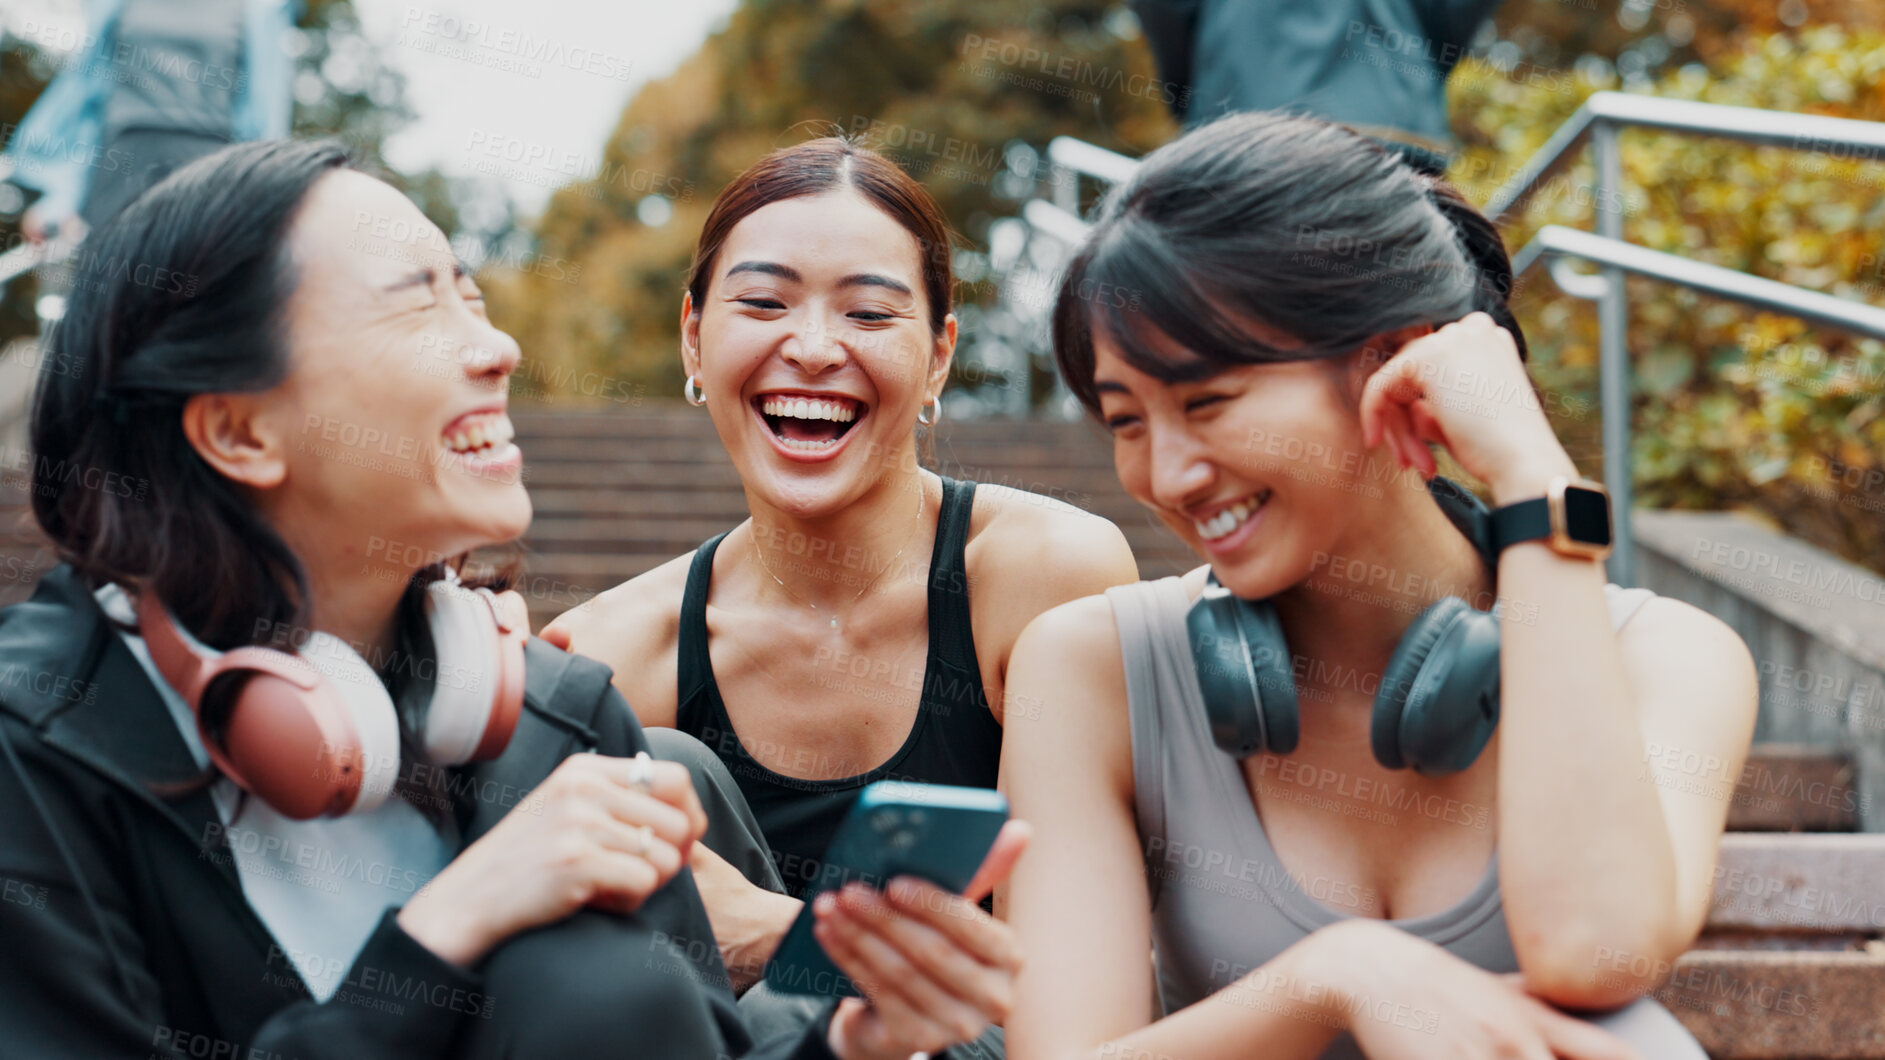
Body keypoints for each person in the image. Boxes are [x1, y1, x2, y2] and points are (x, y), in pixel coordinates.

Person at [0, 138, 1026, 1060]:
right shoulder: (36, 751)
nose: (498, 351)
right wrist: (444, 935)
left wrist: (844, 1043)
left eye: (472, 297)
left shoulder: (555, 722)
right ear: (238, 431)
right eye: (417, 305)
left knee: (594, 980)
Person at [1001, 111, 1757, 1059]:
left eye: (1207, 401)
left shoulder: (1667, 655)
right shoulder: (1091, 668)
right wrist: (1339, 979)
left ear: (1391, 354)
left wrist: (1534, 482)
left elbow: (1593, 950)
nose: (1169, 473)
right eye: (1126, 422)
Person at [543, 137, 1138, 1005]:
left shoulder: (1040, 576)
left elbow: (1070, 987)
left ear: (938, 356)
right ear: (692, 339)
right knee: (665, 764)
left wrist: (770, 934)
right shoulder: (617, 650)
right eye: (762, 303)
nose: (815, 348)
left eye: (868, 314)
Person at [5, 0, 297, 242]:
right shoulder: (116, 5)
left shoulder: (261, 8)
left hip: (209, 172)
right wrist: (62, 200)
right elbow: (86, 99)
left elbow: (264, 112)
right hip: (118, 167)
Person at [1128, 0, 1503, 173]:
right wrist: (1414, 67)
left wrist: (1189, 94)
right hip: (1395, 130)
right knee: (1405, 313)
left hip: (1246, 132)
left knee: (1251, 313)